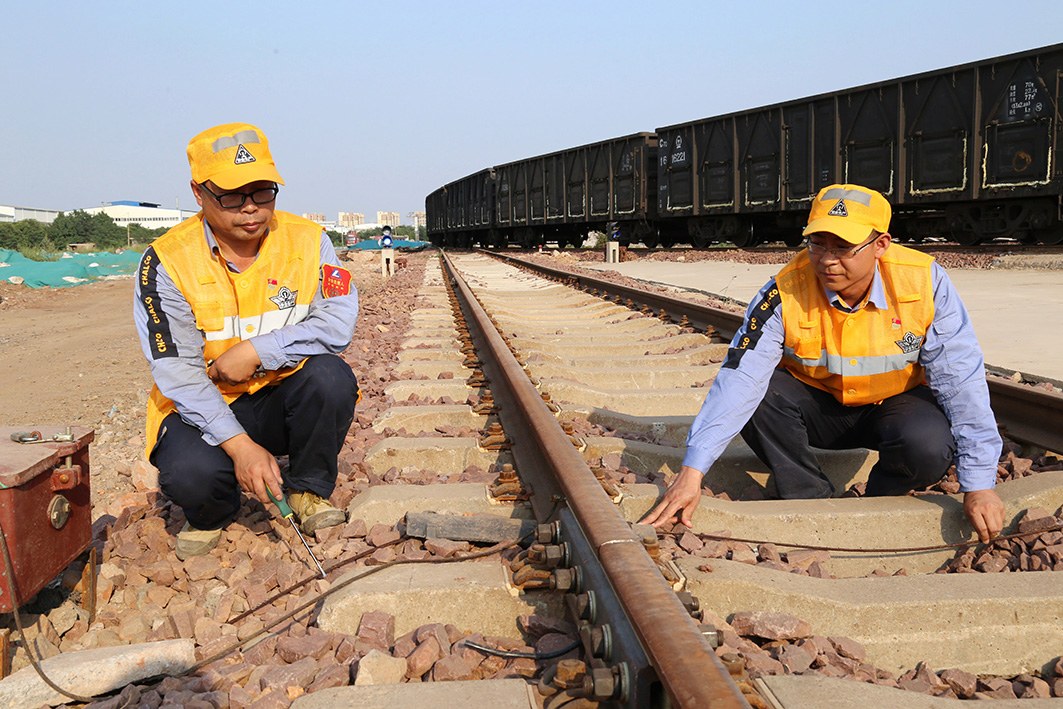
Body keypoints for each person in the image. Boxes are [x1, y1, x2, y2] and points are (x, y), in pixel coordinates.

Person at [642, 184, 1005, 543]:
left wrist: (980, 483)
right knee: (758, 395)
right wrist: (692, 471)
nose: (828, 260)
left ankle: (882, 499)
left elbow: (961, 380)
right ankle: (810, 495)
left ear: (880, 245)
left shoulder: (925, 282)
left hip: (894, 407)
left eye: (844, 247)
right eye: (818, 244)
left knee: (927, 442)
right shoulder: (785, 290)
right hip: (818, 411)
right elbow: (741, 376)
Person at [134, 122, 360, 560]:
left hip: (279, 393)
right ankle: (215, 510)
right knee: (190, 476)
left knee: (331, 379)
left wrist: (258, 351)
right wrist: (241, 448)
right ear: (199, 193)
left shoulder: (311, 241)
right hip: (203, 404)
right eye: (233, 196)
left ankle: (307, 490)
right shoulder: (165, 262)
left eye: (263, 192)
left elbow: (337, 322)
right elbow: (177, 371)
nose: (252, 209)